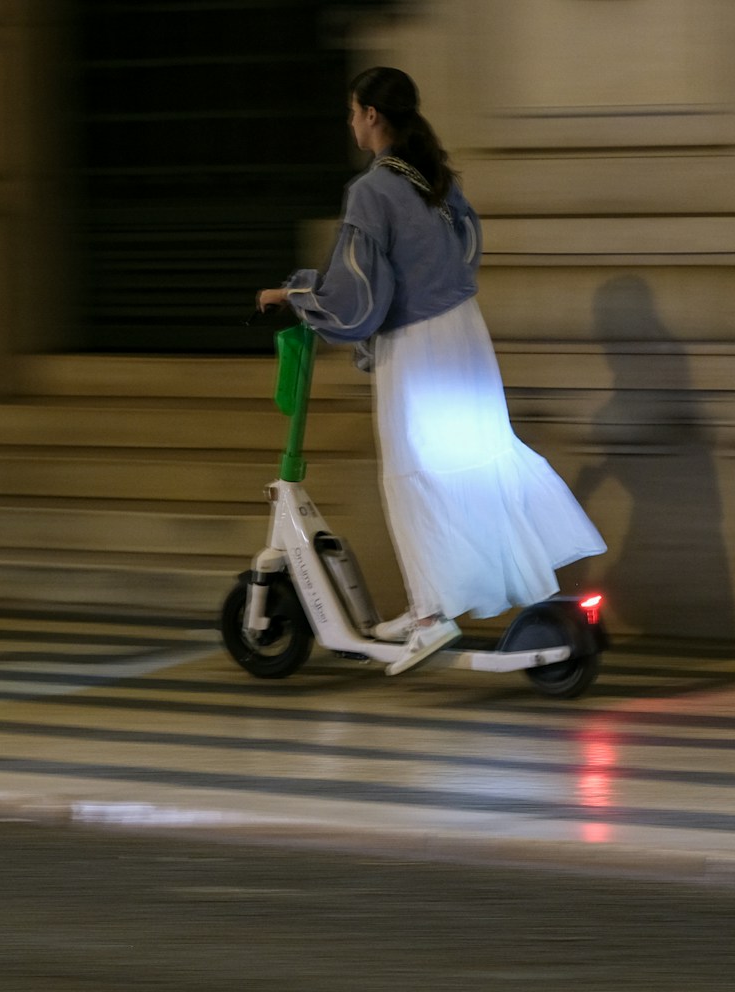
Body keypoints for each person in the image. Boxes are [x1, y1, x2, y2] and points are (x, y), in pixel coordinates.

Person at [258, 67, 606, 675]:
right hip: (465, 338)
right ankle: (430, 601)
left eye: (353, 111)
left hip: (419, 348)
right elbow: (465, 249)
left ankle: (429, 619)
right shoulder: (437, 179)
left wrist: (296, 294)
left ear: (372, 115)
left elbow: (357, 292)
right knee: (472, 466)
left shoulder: (371, 189)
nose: (350, 122)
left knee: (416, 474)